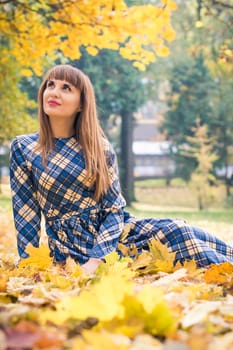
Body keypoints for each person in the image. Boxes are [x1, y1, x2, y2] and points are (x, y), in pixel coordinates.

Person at [10, 64, 233, 274]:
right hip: (73, 248)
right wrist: (29, 264)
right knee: (179, 233)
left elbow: (113, 210)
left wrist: (98, 259)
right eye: (50, 85)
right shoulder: (24, 148)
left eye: (65, 88)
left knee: (181, 228)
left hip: (115, 235)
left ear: (80, 104)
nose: (54, 92)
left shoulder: (98, 148)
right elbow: (25, 213)